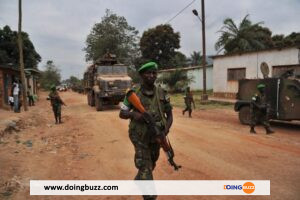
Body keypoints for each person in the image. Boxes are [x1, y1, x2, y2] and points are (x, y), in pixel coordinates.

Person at [119, 62, 173, 200]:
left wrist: (164, 131)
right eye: (148, 73)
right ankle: (149, 195)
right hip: (139, 136)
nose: (151, 75)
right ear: (142, 75)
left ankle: (140, 179)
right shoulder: (133, 93)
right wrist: (135, 115)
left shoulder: (161, 92)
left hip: (156, 136)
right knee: (145, 165)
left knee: (152, 162)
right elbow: (122, 113)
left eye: (154, 73)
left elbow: (170, 115)